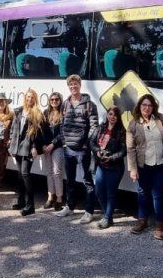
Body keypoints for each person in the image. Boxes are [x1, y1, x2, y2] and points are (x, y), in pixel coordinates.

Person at [126, 93, 163, 240]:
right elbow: (130, 149)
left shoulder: (161, 119)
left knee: (159, 196)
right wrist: (133, 169)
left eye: (150, 105)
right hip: (143, 165)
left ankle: (159, 225)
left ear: (153, 107)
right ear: (139, 106)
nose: (147, 107)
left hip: (160, 164)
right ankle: (142, 220)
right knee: (143, 194)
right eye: (144, 105)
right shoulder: (133, 124)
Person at [56, 74, 98, 217]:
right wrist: (63, 141)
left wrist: (86, 143)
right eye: (71, 84)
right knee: (70, 181)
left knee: (87, 181)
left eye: (75, 84)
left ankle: (89, 211)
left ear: (80, 85)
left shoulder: (89, 105)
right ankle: (69, 206)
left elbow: (94, 127)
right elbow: (62, 124)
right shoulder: (65, 104)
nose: (73, 87)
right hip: (68, 149)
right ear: (68, 86)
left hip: (82, 150)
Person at [89, 106, 127, 229]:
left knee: (111, 193)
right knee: (99, 191)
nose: (112, 117)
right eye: (110, 114)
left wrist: (112, 157)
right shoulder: (101, 127)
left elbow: (123, 151)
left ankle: (106, 218)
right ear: (107, 115)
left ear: (118, 117)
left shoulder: (121, 131)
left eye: (115, 115)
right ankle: (108, 216)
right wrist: (97, 152)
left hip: (115, 167)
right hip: (101, 165)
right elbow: (92, 142)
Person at [10, 88, 44, 216]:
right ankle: (21, 202)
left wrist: (34, 147)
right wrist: (11, 144)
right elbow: (13, 128)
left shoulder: (37, 113)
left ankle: (31, 206)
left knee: (25, 174)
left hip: (28, 147)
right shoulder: (18, 111)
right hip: (17, 146)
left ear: (35, 99)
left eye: (32, 97)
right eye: (28, 97)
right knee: (20, 175)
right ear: (25, 98)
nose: (30, 99)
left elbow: (37, 134)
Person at [39, 91, 65, 209]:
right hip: (46, 147)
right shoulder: (45, 113)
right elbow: (42, 131)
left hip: (57, 147)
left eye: (56, 99)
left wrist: (53, 144)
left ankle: (59, 198)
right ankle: (50, 197)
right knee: (49, 172)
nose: (54, 101)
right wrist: (44, 145)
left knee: (57, 172)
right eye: (52, 100)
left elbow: (62, 133)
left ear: (60, 101)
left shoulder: (63, 113)